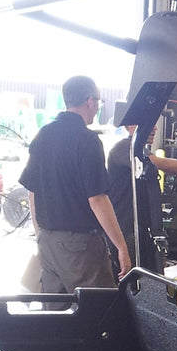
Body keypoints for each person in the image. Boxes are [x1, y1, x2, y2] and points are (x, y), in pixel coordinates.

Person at [19, 75, 131, 291]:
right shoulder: (87, 140)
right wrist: (121, 247)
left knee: (56, 309)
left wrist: (40, 233)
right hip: (80, 247)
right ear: (90, 101)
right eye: (98, 101)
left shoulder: (43, 135)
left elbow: (33, 191)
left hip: (47, 242)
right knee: (99, 306)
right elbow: (97, 199)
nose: (97, 107)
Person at [107, 122, 177, 274]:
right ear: (130, 125)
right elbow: (163, 164)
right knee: (132, 274)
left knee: (149, 272)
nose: (155, 127)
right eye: (150, 122)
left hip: (140, 227)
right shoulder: (124, 148)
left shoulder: (139, 150)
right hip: (125, 227)